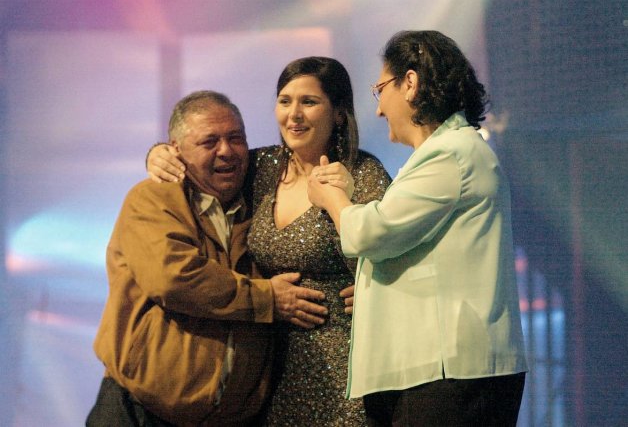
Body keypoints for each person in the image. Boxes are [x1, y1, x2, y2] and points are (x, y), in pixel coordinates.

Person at [147, 57, 392, 425]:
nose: (293, 114)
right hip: (265, 368)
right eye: (284, 101)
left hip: (344, 365)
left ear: (339, 113)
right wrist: (158, 153)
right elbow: (205, 162)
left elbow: (398, 248)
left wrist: (384, 288)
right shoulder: (260, 168)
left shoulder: (363, 173)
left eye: (308, 102)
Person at [308, 31, 528, 426]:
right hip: (442, 371)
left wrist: (333, 197)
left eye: (380, 90)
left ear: (409, 83)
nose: (378, 111)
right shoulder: (448, 154)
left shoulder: (452, 154)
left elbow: (370, 233)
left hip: (450, 375)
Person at [87, 90, 328, 427]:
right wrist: (265, 298)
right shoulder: (152, 199)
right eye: (209, 141)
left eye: (236, 138)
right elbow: (174, 278)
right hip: (139, 412)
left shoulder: (260, 202)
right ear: (176, 151)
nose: (226, 151)